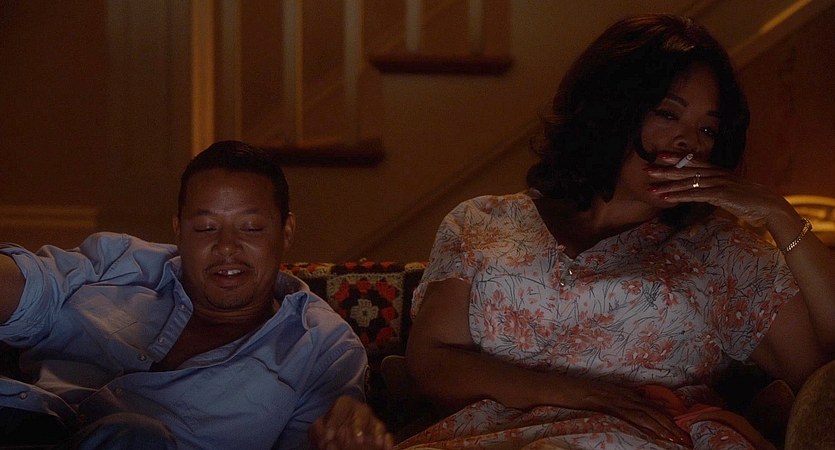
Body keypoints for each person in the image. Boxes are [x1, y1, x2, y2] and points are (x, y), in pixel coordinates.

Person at [398, 14, 835, 450]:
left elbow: (826, 368)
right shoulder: (482, 221)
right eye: (668, 113)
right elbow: (432, 361)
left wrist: (779, 215)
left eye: (707, 129)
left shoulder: (722, 251)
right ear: (609, 109)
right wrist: (578, 395)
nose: (689, 143)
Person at [0, 140, 393, 449]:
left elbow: (330, 435)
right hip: (20, 420)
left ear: (286, 231)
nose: (227, 247)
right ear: (178, 229)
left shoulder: (322, 348)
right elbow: (30, 283)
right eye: (205, 228)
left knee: (136, 436)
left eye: (251, 228)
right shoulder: (119, 261)